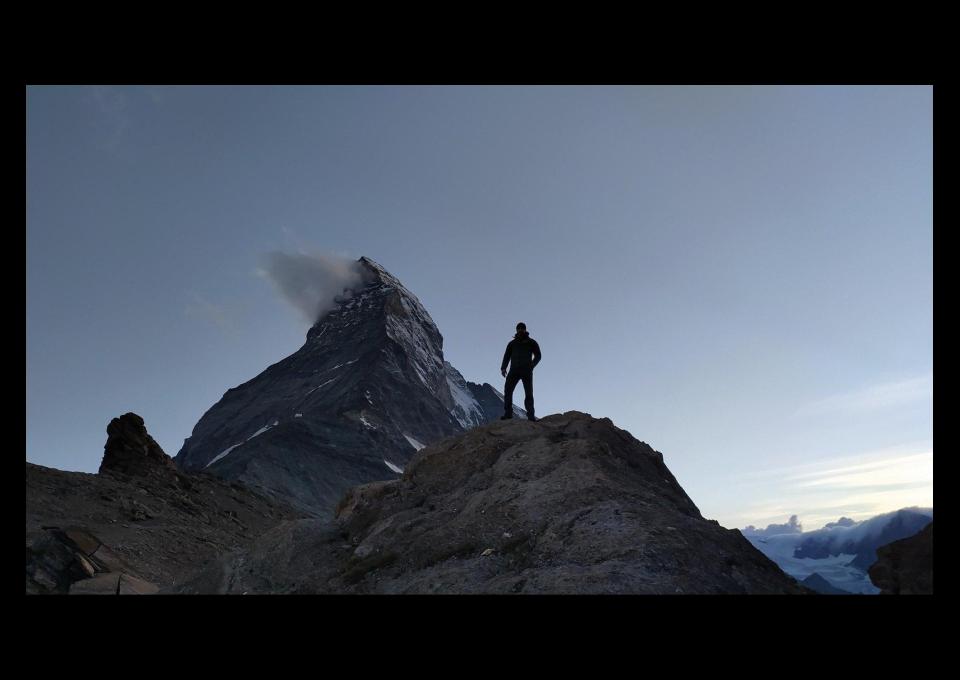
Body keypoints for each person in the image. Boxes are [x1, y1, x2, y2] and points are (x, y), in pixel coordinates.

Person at [500, 322, 541, 422]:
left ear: (525, 330)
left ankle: (531, 415)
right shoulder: (512, 344)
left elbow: (538, 355)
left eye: (522, 329)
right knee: (508, 390)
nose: (520, 330)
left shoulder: (531, 342)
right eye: (519, 329)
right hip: (514, 370)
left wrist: (531, 365)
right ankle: (508, 413)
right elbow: (507, 356)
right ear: (517, 330)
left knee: (528, 393)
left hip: (526, 370)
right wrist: (503, 367)